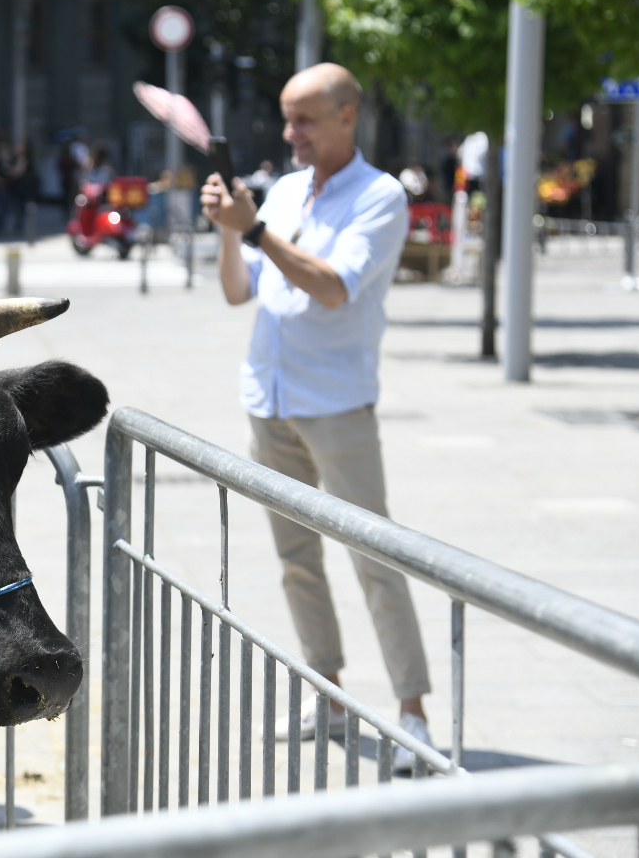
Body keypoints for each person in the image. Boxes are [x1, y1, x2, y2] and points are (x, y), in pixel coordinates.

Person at [199, 62, 432, 770]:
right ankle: (328, 693)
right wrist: (227, 230)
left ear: (346, 118)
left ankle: (413, 713)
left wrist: (256, 228)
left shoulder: (381, 196)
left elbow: (333, 289)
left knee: (375, 558)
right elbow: (241, 293)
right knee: (297, 559)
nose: (289, 133)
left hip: (336, 405)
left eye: (303, 119)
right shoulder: (290, 189)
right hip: (269, 399)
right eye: (285, 117)